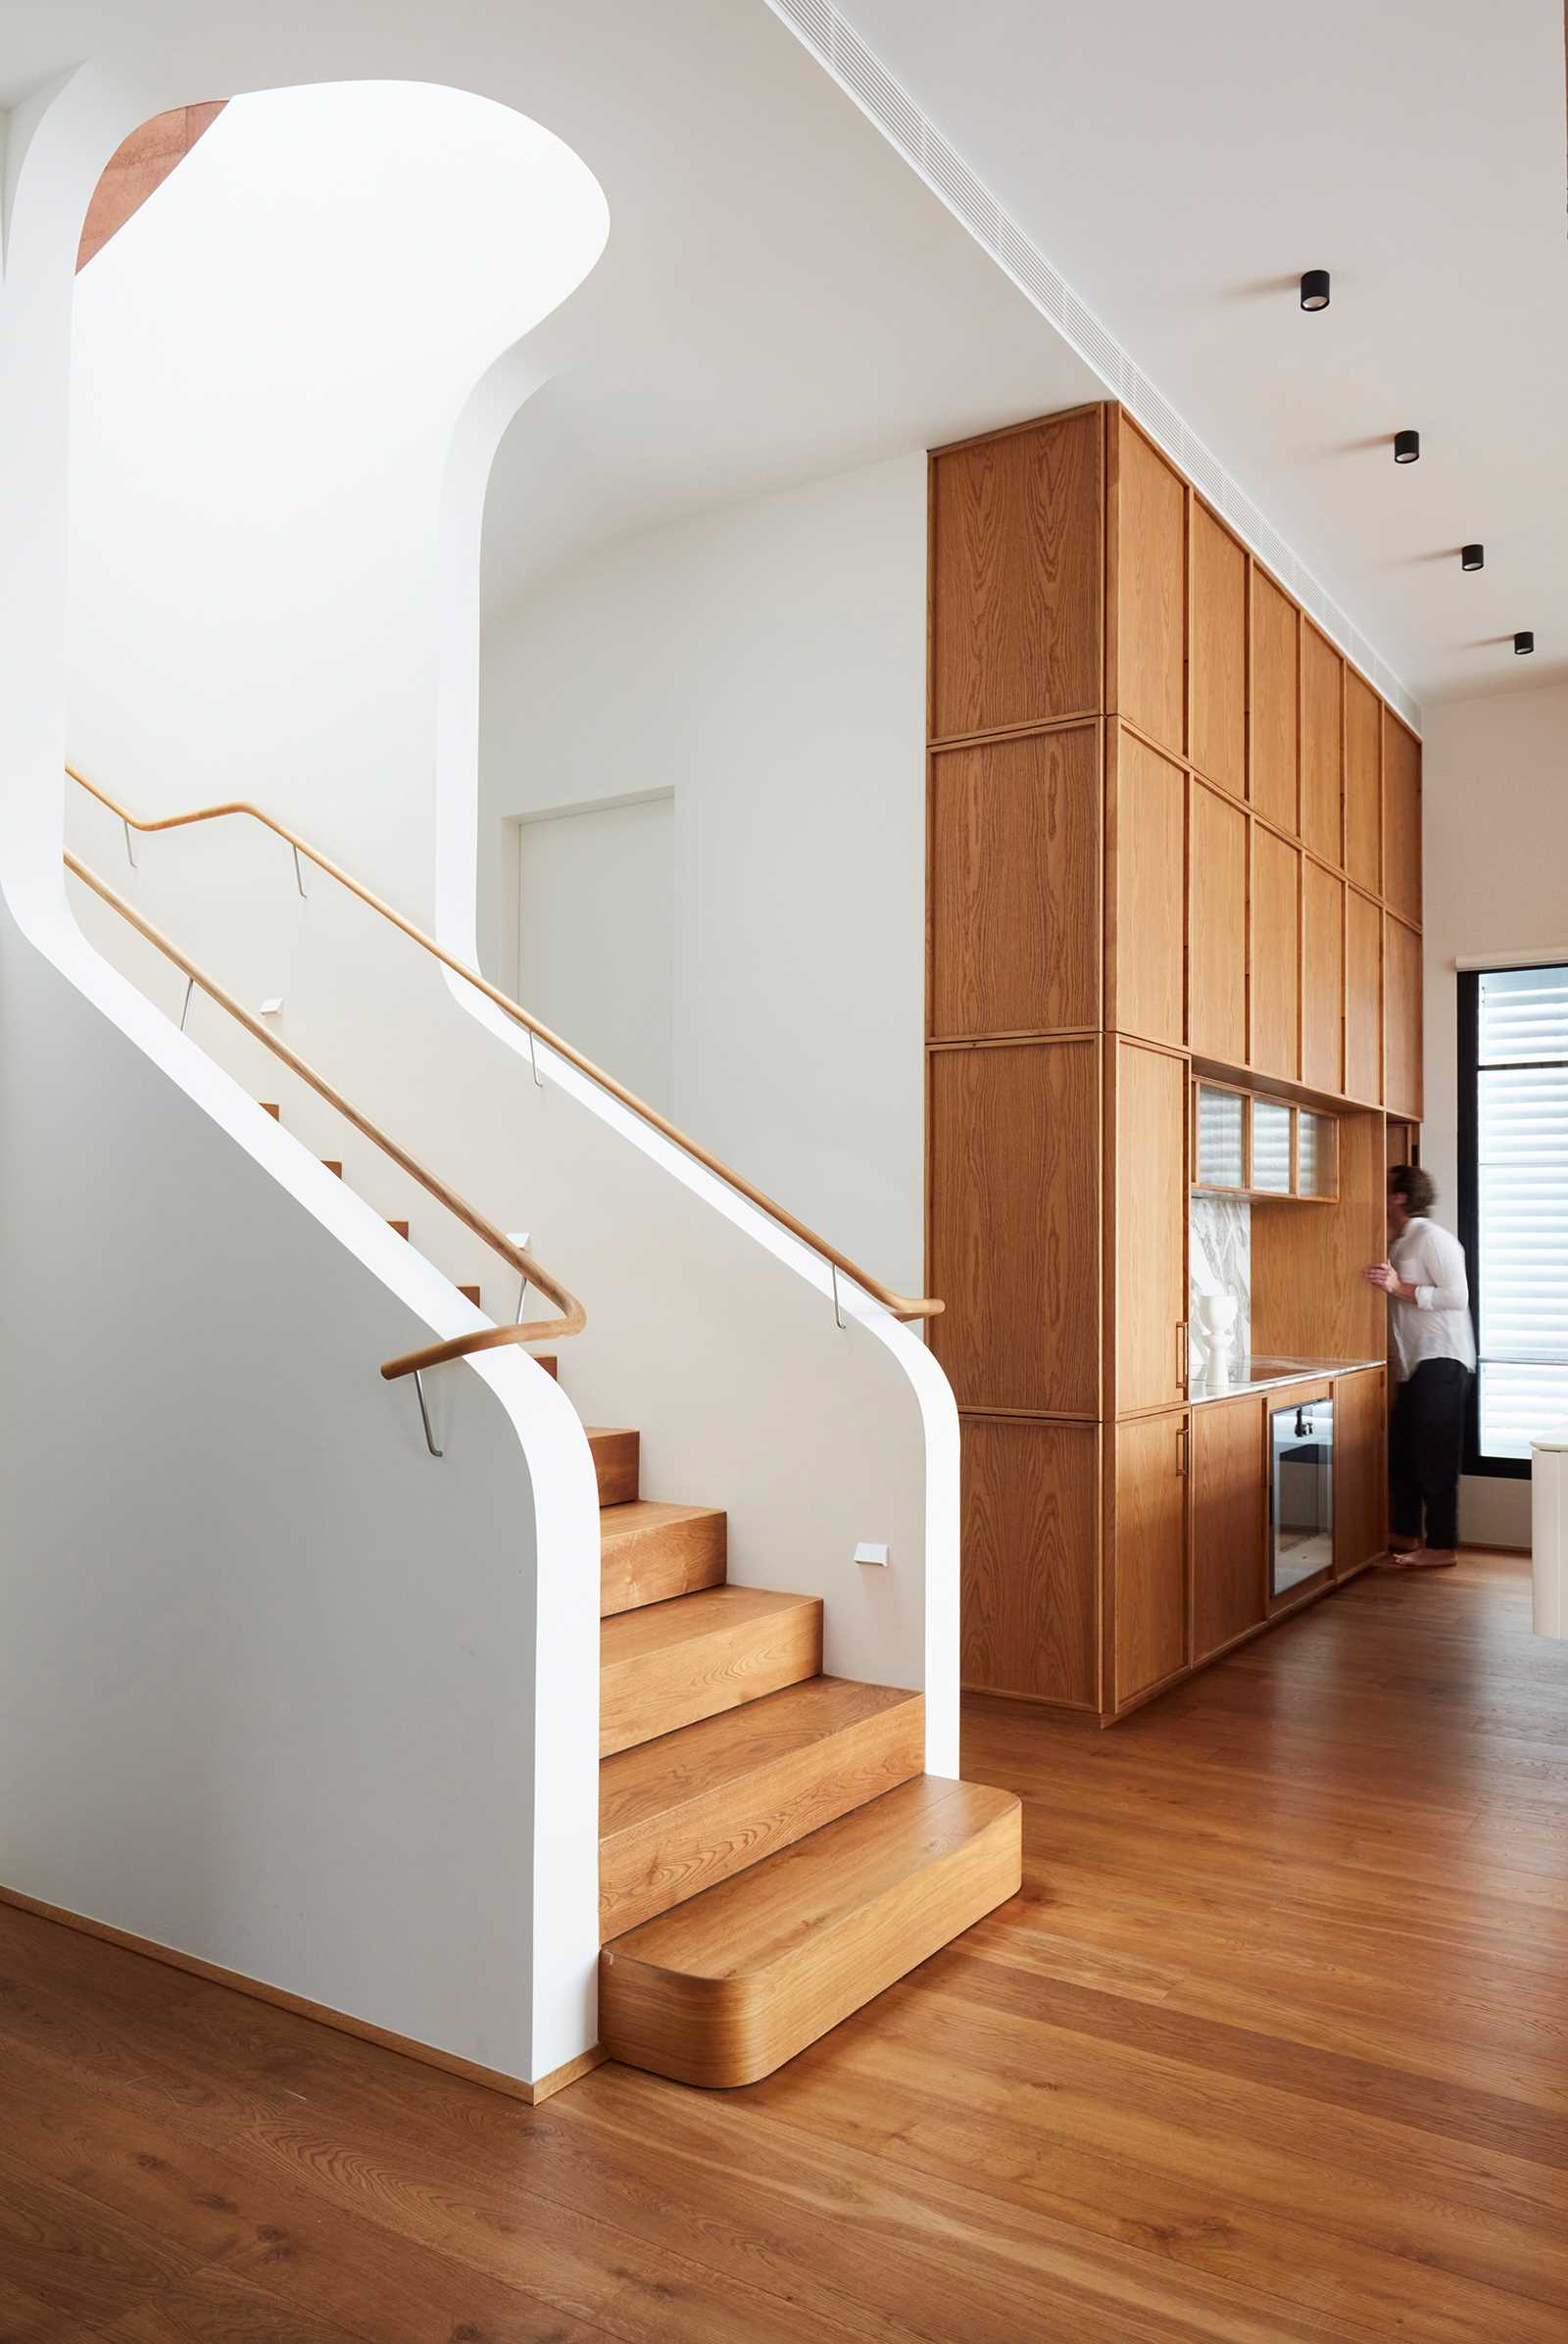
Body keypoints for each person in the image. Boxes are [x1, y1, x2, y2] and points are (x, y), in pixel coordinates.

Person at [1363, 1164, 1476, 1570]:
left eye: (1383, 1187)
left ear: (1399, 1197)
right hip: (1414, 1366)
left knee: (1436, 1458)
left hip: (1442, 1360)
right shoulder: (1398, 1243)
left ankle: (1443, 1547)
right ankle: (1404, 1533)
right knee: (1404, 1453)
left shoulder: (1432, 1239)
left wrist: (1399, 1288)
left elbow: (1457, 1297)